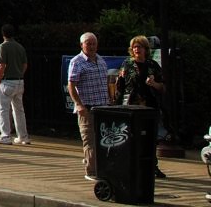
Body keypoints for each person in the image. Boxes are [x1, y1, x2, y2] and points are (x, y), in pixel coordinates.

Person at [117, 35, 166, 179]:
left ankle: (151, 166)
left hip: (149, 106)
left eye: (139, 47)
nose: (136, 49)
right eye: (134, 47)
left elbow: (163, 87)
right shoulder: (127, 64)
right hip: (131, 106)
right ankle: (132, 165)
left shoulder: (152, 65)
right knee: (132, 136)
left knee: (150, 137)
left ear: (145, 49)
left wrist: (154, 84)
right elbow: (120, 87)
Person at [67, 32, 111, 182]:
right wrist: (79, 105)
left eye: (94, 43)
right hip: (87, 108)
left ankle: (102, 168)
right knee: (90, 140)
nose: (91, 46)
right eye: (88, 43)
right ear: (82, 45)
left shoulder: (101, 60)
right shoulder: (77, 62)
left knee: (103, 140)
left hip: (103, 107)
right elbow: (71, 85)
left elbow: (105, 82)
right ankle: (91, 171)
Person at [0, 23, 30, 145]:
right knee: (19, 110)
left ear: (3, 34)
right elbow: (25, 65)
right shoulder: (20, 47)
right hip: (19, 81)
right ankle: (23, 136)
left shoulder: (3, 46)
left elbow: (2, 65)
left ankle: (5, 136)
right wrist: (20, 74)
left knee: (3, 109)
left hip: (7, 81)